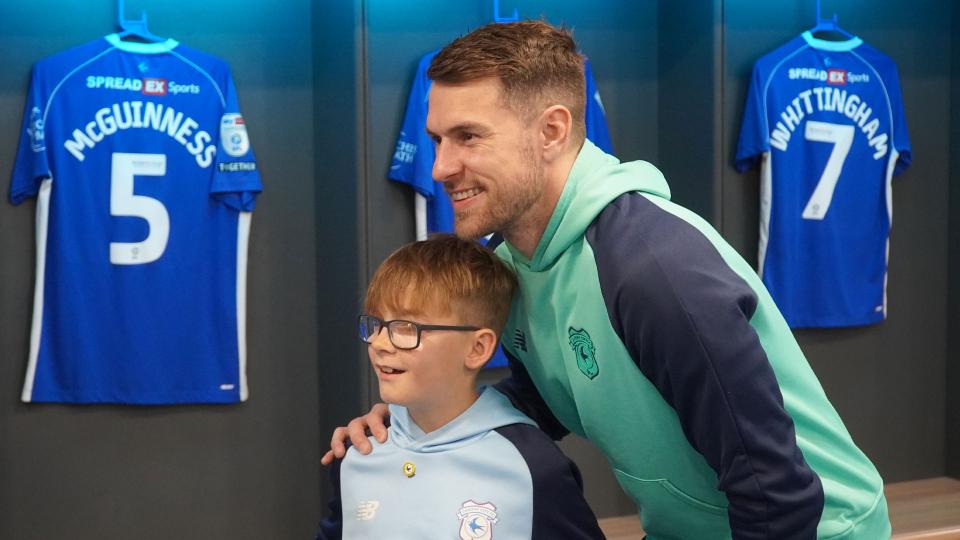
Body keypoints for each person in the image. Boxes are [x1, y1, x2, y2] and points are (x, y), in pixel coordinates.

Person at [324, 21, 890, 539]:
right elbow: (545, 395)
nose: (441, 166)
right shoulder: (512, 264)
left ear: (551, 131)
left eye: (468, 137)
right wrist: (414, 418)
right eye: (438, 139)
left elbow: (776, 491)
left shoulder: (651, 271)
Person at [315, 235, 605, 539]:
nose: (380, 343)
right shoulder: (358, 452)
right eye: (376, 324)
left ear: (478, 348)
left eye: (407, 328)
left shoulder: (533, 467)